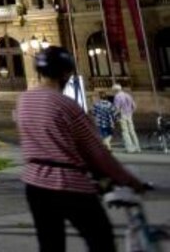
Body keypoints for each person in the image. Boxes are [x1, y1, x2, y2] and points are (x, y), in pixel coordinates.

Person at [17, 46, 147, 252]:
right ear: (66, 72)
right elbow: (96, 151)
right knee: (101, 240)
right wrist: (128, 179)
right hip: (69, 184)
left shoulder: (24, 101)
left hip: (34, 184)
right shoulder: (66, 105)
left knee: (50, 245)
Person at [112, 84, 141, 153]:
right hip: (129, 115)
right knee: (132, 131)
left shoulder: (117, 97)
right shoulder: (128, 95)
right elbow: (134, 106)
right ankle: (137, 147)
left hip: (122, 115)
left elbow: (117, 108)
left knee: (125, 131)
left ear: (115, 90)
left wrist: (114, 115)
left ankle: (130, 148)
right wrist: (130, 112)